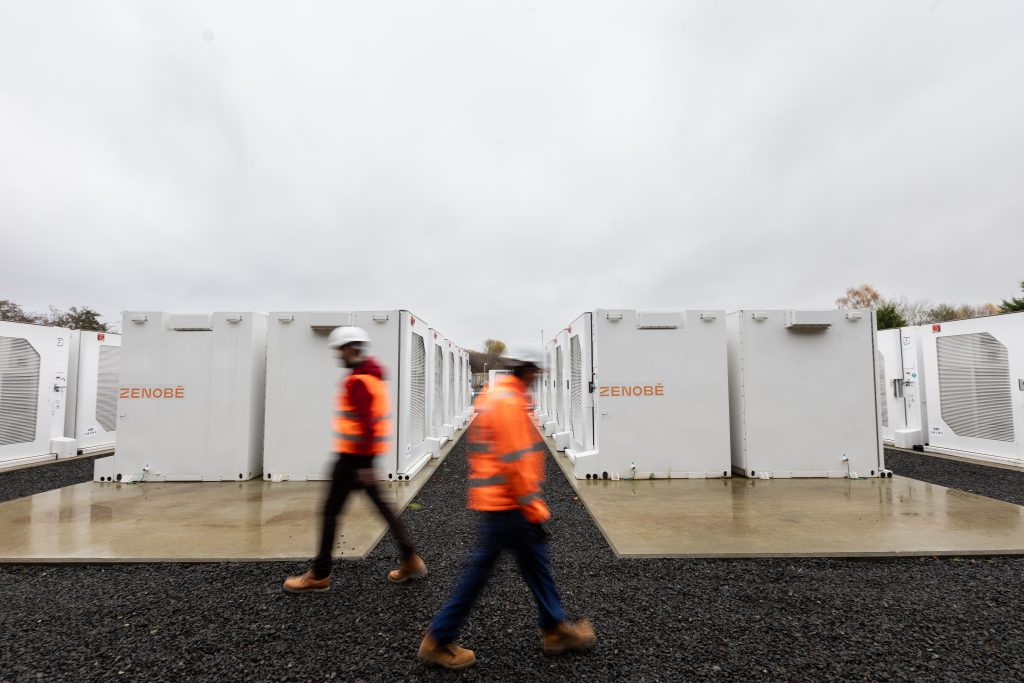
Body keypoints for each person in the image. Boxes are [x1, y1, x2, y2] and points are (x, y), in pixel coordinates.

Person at [417, 342, 595, 669]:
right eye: (538, 371)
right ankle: (439, 638)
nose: (539, 377)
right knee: (483, 570)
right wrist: (535, 509)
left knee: (533, 565)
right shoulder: (510, 403)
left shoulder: (496, 395)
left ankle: (554, 627)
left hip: (500, 501)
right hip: (509, 503)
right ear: (528, 370)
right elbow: (516, 466)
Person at [283, 326, 426, 593]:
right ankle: (410, 558)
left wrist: (362, 464)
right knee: (382, 508)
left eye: (340, 349)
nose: (338, 355)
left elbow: (368, 423)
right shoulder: (373, 376)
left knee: (330, 512)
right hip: (361, 458)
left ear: (350, 348)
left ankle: (319, 574)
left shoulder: (358, 381)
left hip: (352, 459)